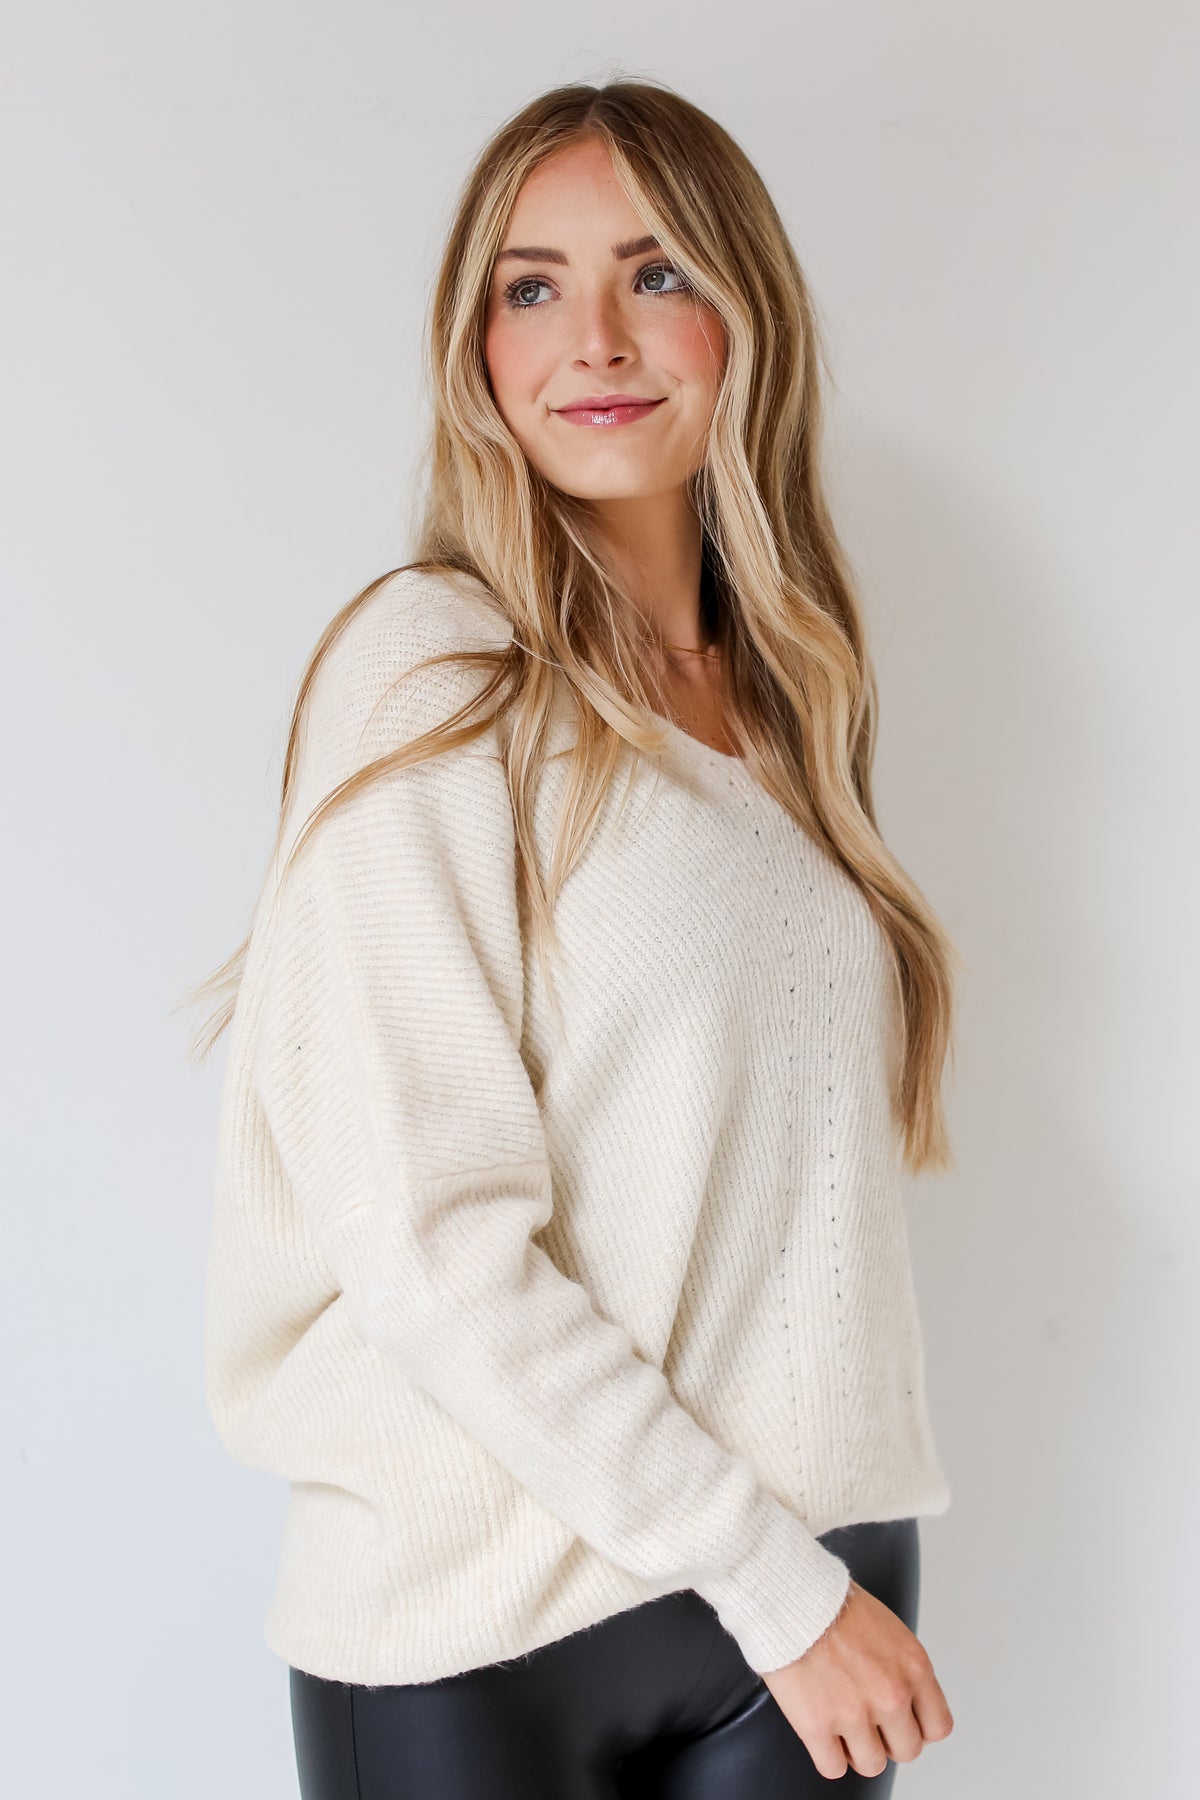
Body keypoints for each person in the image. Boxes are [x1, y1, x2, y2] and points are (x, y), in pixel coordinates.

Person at [191, 77, 960, 1798]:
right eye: (531, 286)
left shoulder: (794, 700)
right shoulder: (433, 671)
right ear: (475, 348)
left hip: (811, 1579)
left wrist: (800, 1583)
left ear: (745, 315)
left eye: (656, 271)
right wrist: (771, 1585)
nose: (595, 337)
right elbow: (427, 1236)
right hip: (491, 1620)